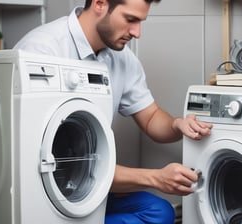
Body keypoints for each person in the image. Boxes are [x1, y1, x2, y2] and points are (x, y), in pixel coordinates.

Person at [14, 0, 213, 223]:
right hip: (43, 184)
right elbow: (38, 159)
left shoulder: (122, 58)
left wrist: (178, 125)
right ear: (99, 4)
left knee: (160, 211)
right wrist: (155, 178)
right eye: (130, 19)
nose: (137, 33)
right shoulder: (41, 51)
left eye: (140, 22)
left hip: (88, 181)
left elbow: (151, 118)